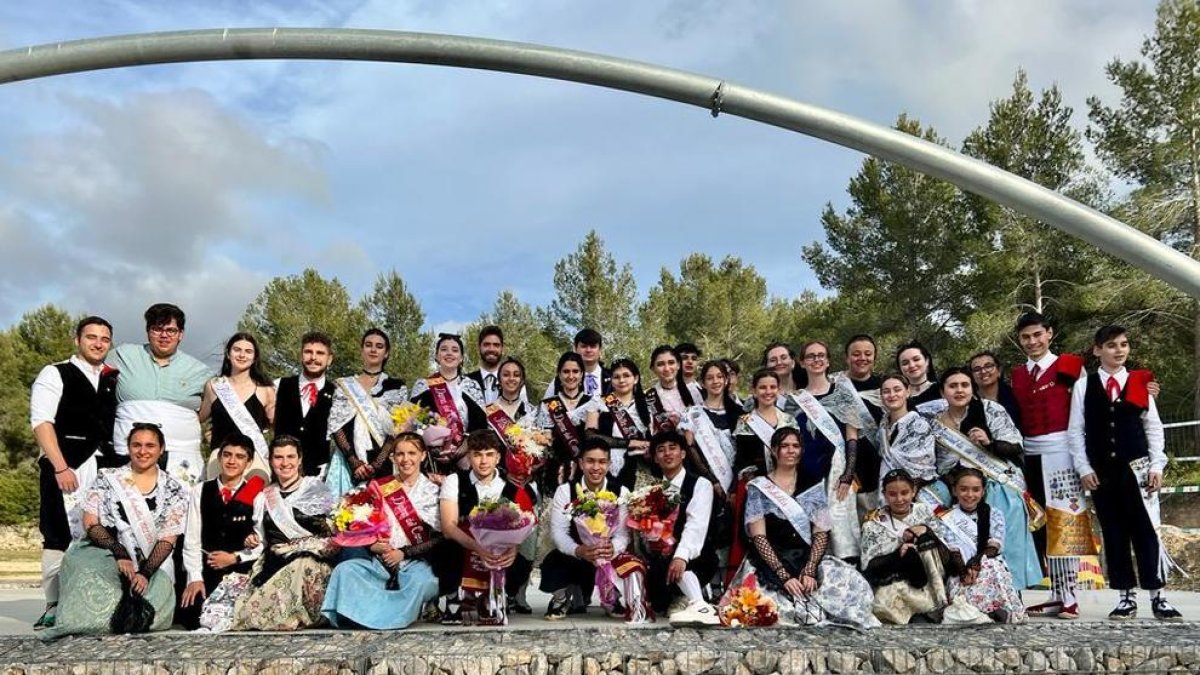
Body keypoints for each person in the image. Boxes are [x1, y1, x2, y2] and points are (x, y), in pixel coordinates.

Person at [1067, 325, 1183, 621]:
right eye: (1111, 345)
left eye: (1123, 344)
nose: (1119, 350)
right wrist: (1084, 468)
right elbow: (1076, 431)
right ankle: (1125, 595)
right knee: (1114, 533)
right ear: (1097, 350)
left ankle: (1158, 595)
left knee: (1146, 531)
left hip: (1137, 470)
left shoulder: (1139, 382)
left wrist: (1157, 465)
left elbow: (1153, 427)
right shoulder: (1084, 386)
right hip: (1103, 473)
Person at [42, 424, 189, 638]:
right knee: (83, 571)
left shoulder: (173, 488)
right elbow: (91, 523)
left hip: (151, 560)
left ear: (161, 449)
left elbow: (168, 539)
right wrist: (119, 553)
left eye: (150, 445)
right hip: (106, 551)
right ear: (128, 448)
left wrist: (145, 573)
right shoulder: (108, 477)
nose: (142, 451)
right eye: (136, 445)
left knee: (154, 607)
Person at [732, 427, 879, 628]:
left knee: (849, 589)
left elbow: (820, 532)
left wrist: (810, 569)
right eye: (784, 446)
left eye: (795, 446)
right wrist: (783, 576)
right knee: (765, 609)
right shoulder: (759, 488)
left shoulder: (811, 484)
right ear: (774, 451)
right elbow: (759, 538)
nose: (790, 450)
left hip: (805, 557)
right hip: (770, 561)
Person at [29, 316, 119, 630]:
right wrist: (60, 465)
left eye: (104, 339)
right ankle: (53, 604)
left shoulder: (111, 379)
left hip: (104, 467)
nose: (98, 343)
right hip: (66, 465)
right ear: (77, 340)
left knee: (102, 535)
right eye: (91, 337)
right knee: (57, 535)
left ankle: (93, 602)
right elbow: (42, 422)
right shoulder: (55, 373)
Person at [918, 367, 1042, 591]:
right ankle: (948, 581)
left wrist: (989, 442)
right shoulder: (935, 423)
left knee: (1006, 504)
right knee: (926, 502)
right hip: (954, 480)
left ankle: (1009, 586)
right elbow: (934, 462)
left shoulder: (990, 410)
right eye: (952, 386)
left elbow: (1016, 447)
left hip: (995, 476)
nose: (959, 390)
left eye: (964, 385)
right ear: (942, 391)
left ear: (972, 389)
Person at [1009, 312, 1092, 619]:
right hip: (1029, 452)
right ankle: (1055, 593)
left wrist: (1083, 459)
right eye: (1025, 337)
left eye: (1037, 335)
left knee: (1065, 521)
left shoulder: (1070, 365)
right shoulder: (1017, 374)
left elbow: (1087, 408)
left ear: (1049, 334)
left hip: (1062, 450)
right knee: (1041, 523)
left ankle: (1070, 594)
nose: (1032, 342)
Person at [322, 433, 444, 629]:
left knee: (425, 582)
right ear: (393, 457)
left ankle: (386, 617)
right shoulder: (380, 486)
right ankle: (363, 615)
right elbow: (363, 524)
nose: (406, 460)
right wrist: (373, 545)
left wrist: (402, 553)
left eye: (412, 453)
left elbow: (441, 538)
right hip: (379, 558)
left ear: (422, 455)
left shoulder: (434, 490)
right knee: (346, 571)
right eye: (400, 454)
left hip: (414, 560)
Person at [231, 435, 339, 631]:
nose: (285, 463)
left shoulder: (318, 490)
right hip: (275, 562)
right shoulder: (263, 497)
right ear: (271, 461)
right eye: (279, 457)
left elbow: (335, 535)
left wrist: (302, 546)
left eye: (290, 457)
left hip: (314, 563)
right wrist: (249, 544)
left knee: (302, 563)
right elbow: (261, 542)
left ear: (299, 460)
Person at [540, 437, 647, 622]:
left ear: (609, 464)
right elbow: (559, 532)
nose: (596, 467)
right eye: (590, 461)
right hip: (579, 553)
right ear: (580, 463)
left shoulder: (621, 492)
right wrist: (579, 550)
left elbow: (623, 534)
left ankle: (612, 599)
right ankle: (561, 599)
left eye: (602, 462)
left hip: (607, 553)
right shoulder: (565, 491)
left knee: (630, 563)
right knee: (553, 562)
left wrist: (612, 548)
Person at [438, 430, 538, 626]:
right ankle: (455, 598)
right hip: (465, 547)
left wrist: (513, 549)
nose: (483, 461)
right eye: (477, 455)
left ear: (498, 457)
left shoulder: (511, 488)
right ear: (469, 457)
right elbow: (448, 527)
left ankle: (490, 598)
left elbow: (526, 524)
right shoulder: (455, 481)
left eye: (489, 454)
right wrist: (478, 548)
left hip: (498, 551)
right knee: (446, 547)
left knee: (521, 561)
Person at [859, 469, 983, 625]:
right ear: (884, 494)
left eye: (905, 493)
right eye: (892, 494)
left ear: (913, 491)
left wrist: (926, 531)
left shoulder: (923, 511)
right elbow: (869, 567)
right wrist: (898, 554)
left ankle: (936, 606)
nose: (899, 499)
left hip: (930, 578)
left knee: (926, 542)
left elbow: (945, 549)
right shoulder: (873, 524)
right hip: (895, 577)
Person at [108, 303, 211, 487]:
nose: (164, 336)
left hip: (181, 457)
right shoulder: (121, 355)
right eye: (157, 329)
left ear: (181, 334)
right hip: (129, 454)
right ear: (148, 331)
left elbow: (213, 409)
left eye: (171, 330)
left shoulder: (201, 371)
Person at [177, 434, 265, 629]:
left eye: (239, 457)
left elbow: (262, 543)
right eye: (227, 455)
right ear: (219, 458)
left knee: (236, 617)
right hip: (206, 570)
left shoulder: (257, 496)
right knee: (193, 615)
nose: (232, 461)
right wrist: (195, 578)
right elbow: (191, 539)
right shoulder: (200, 490)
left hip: (240, 571)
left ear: (248, 462)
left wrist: (236, 557)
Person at [637, 430, 721, 626]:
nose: (667, 454)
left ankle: (699, 603)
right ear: (655, 458)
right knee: (657, 604)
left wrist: (681, 556)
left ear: (683, 453)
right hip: (661, 559)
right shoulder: (652, 490)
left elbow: (696, 526)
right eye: (661, 450)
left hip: (696, 556)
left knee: (680, 564)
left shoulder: (700, 485)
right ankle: (682, 598)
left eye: (673, 448)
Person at [793, 340, 861, 560]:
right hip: (805, 473)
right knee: (812, 532)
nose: (816, 360)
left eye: (821, 355)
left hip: (837, 473)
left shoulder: (842, 395)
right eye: (810, 356)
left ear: (828, 361)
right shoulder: (793, 401)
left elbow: (852, 437)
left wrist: (848, 474)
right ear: (802, 363)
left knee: (841, 532)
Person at [326, 329, 409, 496]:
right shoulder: (344, 385)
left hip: (386, 461)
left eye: (379, 346)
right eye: (368, 345)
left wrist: (377, 464)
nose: (373, 350)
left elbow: (398, 429)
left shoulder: (397, 386)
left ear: (386, 353)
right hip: (349, 461)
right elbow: (336, 426)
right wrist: (354, 462)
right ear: (361, 350)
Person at [941, 468, 1027, 624]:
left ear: (983, 491)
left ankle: (997, 610)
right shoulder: (946, 517)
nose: (969, 495)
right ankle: (979, 611)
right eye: (964, 489)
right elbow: (951, 548)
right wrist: (963, 571)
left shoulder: (994, 514)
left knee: (992, 565)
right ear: (954, 490)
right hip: (959, 569)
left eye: (976, 490)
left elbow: (994, 546)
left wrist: (976, 563)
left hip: (984, 562)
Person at [200, 333, 273, 482]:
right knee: (219, 501)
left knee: (254, 491)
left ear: (254, 357)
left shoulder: (266, 389)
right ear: (228, 353)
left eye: (248, 351)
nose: (242, 355)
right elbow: (198, 419)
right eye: (237, 350)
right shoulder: (214, 386)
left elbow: (278, 426)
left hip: (253, 457)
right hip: (221, 457)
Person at [411, 333, 486, 478]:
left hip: (466, 460)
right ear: (437, 356)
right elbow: (414, 423)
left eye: (455, 350)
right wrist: (435, 449)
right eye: (444, 349)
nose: (449, 353)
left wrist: (466, 444)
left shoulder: (472, 386)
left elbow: (481, 424)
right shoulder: (423, 384)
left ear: (462, 358)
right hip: (431, 461)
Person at [832, 335, 886, 509]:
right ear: (846, 358)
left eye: (868, 354)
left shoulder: (885, 387)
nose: (862, 358)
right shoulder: (834, 386)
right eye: (856, 354)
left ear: (874, 357)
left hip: (879, 469)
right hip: (842, 469)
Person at [274, 331, 337, 478]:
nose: (313, 358)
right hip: (280, 476)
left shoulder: (338, 394)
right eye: (308, 352)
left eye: (320, 353)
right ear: (300, 355)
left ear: (329, 359)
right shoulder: (278, 386)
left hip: (320, 477)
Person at [583, 358, 652, 490]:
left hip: (639, 468)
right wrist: (629, 443)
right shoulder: (599, 402)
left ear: (636, 378)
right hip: (604, 466)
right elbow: (590, 436)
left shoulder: (647, 404)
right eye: (616, 377)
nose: (621, 380)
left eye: (626, 375)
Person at [534, 352, 593, 493]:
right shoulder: (548, 404)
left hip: (586, 473)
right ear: (559, 375)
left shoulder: (592, 402)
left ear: (582, 374)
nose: (571, 376)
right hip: (555, 472)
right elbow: (544, 441)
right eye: (566, 371)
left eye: (575, 371)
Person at [876, 374, 939, 501]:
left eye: (897, 389)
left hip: (914, 494)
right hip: (886, 491)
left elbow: (923, 467)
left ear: (907, 392)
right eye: (886, 391)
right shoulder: (883, 426)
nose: (892, 395)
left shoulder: (919, 425)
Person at [733, 370, 800, 479]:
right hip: (758, 484)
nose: (768, 392)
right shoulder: (745, 422)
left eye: (773, 387)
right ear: (754, 391)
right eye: (763, 387)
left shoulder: (789, 420)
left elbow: (798, 454)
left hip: (790, 482)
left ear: (778, 390)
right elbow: (742, 459)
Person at [542, 329, 611, 398]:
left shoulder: (613, 377)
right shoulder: (559, 381)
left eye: (593, 346)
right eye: (584, 346)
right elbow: (545, 406)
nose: (588, 350)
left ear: (600, 350)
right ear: (575, 348)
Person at [645, 345, 698, 431]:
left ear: (678, 365)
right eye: (660, 364)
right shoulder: (649, 398)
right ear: (653, 369)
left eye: (671, 362)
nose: (666, 368)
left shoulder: (694, 391)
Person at [969, 351, 1022, 431]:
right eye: (977, 369)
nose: (983, 371)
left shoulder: (1015, 395)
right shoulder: (968, 401)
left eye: (988, 366)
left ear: (999, 370)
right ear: (972, 375)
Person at [466, 325, 515, 406]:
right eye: (486, 344)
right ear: (478, 348)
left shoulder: (514, 382)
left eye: (496, 345)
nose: (491, 349)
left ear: (503, 349)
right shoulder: (466, 382)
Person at [895, 341, 940, 407]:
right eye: (905, 363)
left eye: (916, 359)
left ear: (927, 361)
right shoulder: (897, 396)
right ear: (900, 368)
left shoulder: (942, 389)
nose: (911, 365)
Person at [761, 342, 801, 415]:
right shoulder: (758, 399)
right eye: (773, 360)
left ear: (793, 363)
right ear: (766, 366)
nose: (779, 363)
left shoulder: (808, 393)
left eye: (783, 358)